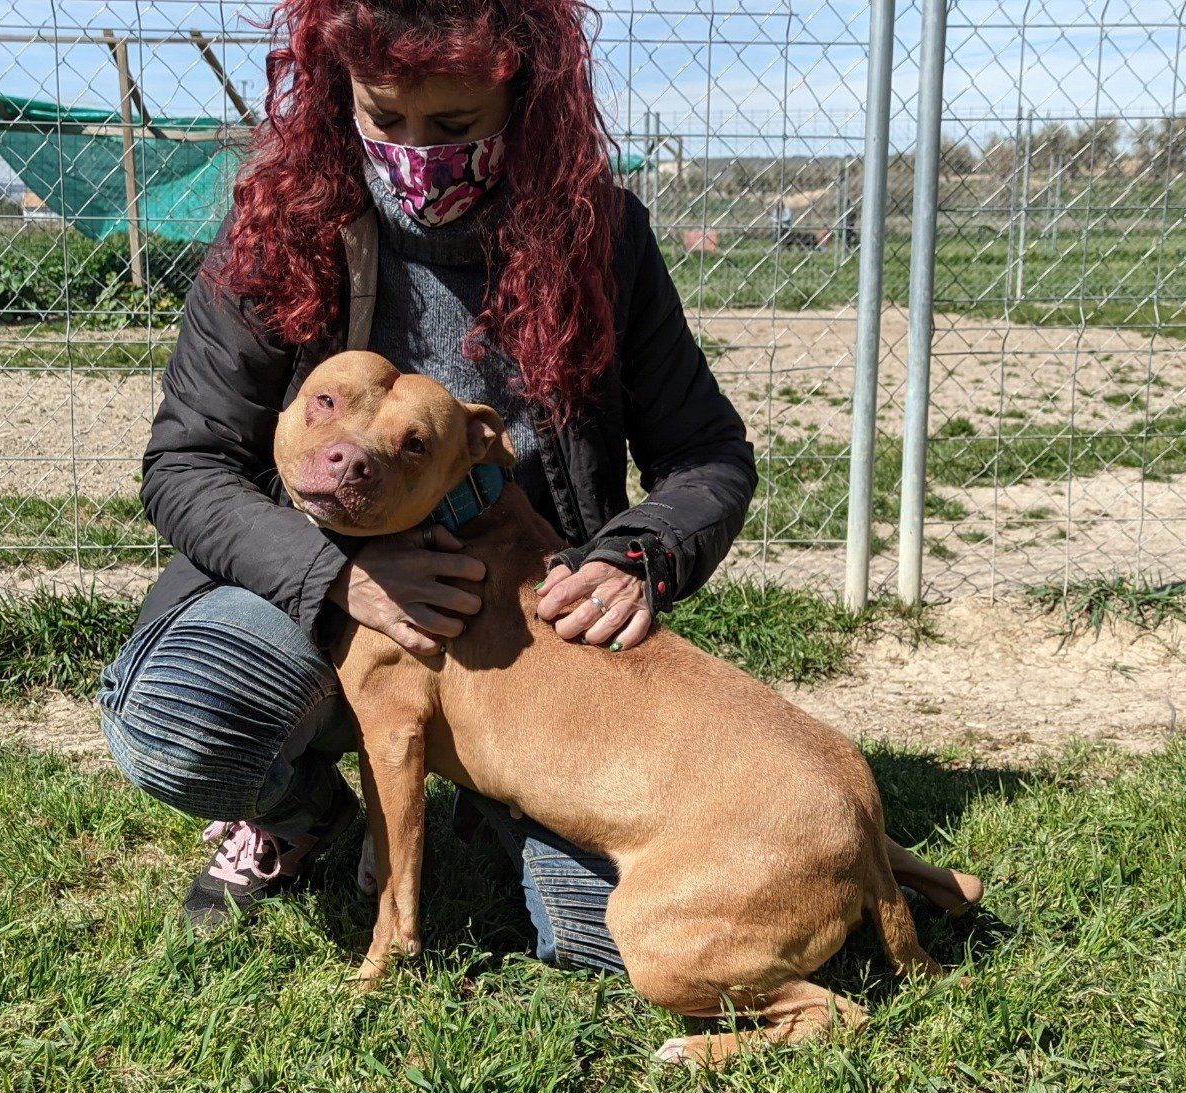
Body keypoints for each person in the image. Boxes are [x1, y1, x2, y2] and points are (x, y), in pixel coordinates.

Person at [99, 0, 980, 969]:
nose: (414, 154)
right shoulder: (282, 223)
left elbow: (709, 454)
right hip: (303, 591)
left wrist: (641, 554)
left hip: (527, 647)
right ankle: (301, 809)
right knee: (184, 711)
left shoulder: (599, 234)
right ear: (336, 91)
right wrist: (335, 575)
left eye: (452, 125)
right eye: (384, 116)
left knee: (636, 930)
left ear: (523, 99)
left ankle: (525, 797)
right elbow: (185, 462)